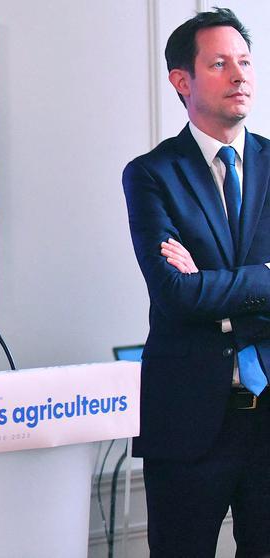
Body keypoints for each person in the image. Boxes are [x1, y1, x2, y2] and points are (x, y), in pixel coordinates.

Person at [122, 8, 270, 556]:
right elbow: (175, 295)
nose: (240, 75)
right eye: (220, 63)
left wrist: (214, 281)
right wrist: (264, 279)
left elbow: (197, 289)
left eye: (246, 62)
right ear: (181, 81)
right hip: (187, 422)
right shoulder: (151, 174)